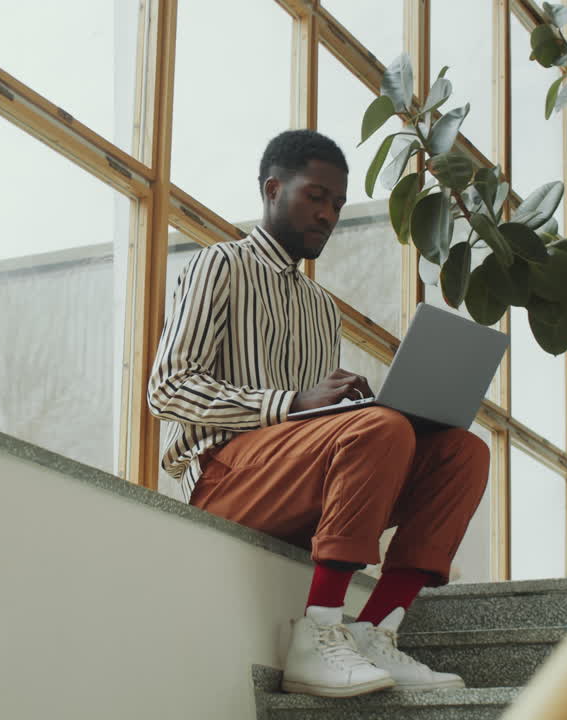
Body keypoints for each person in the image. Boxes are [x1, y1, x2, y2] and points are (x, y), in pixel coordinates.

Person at [147, 129, 490, 698]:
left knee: (462, 451)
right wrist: (294, 403)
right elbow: (168, 388)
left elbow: (321, 426)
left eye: (337, 203)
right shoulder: (219, 266)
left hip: (297, 478)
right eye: (316, 196)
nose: (328, 214)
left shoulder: (320, 309)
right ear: (273, 189)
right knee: (379, 427)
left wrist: (343, 409)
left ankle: (376, 631)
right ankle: (318, 632)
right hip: (222, 479)